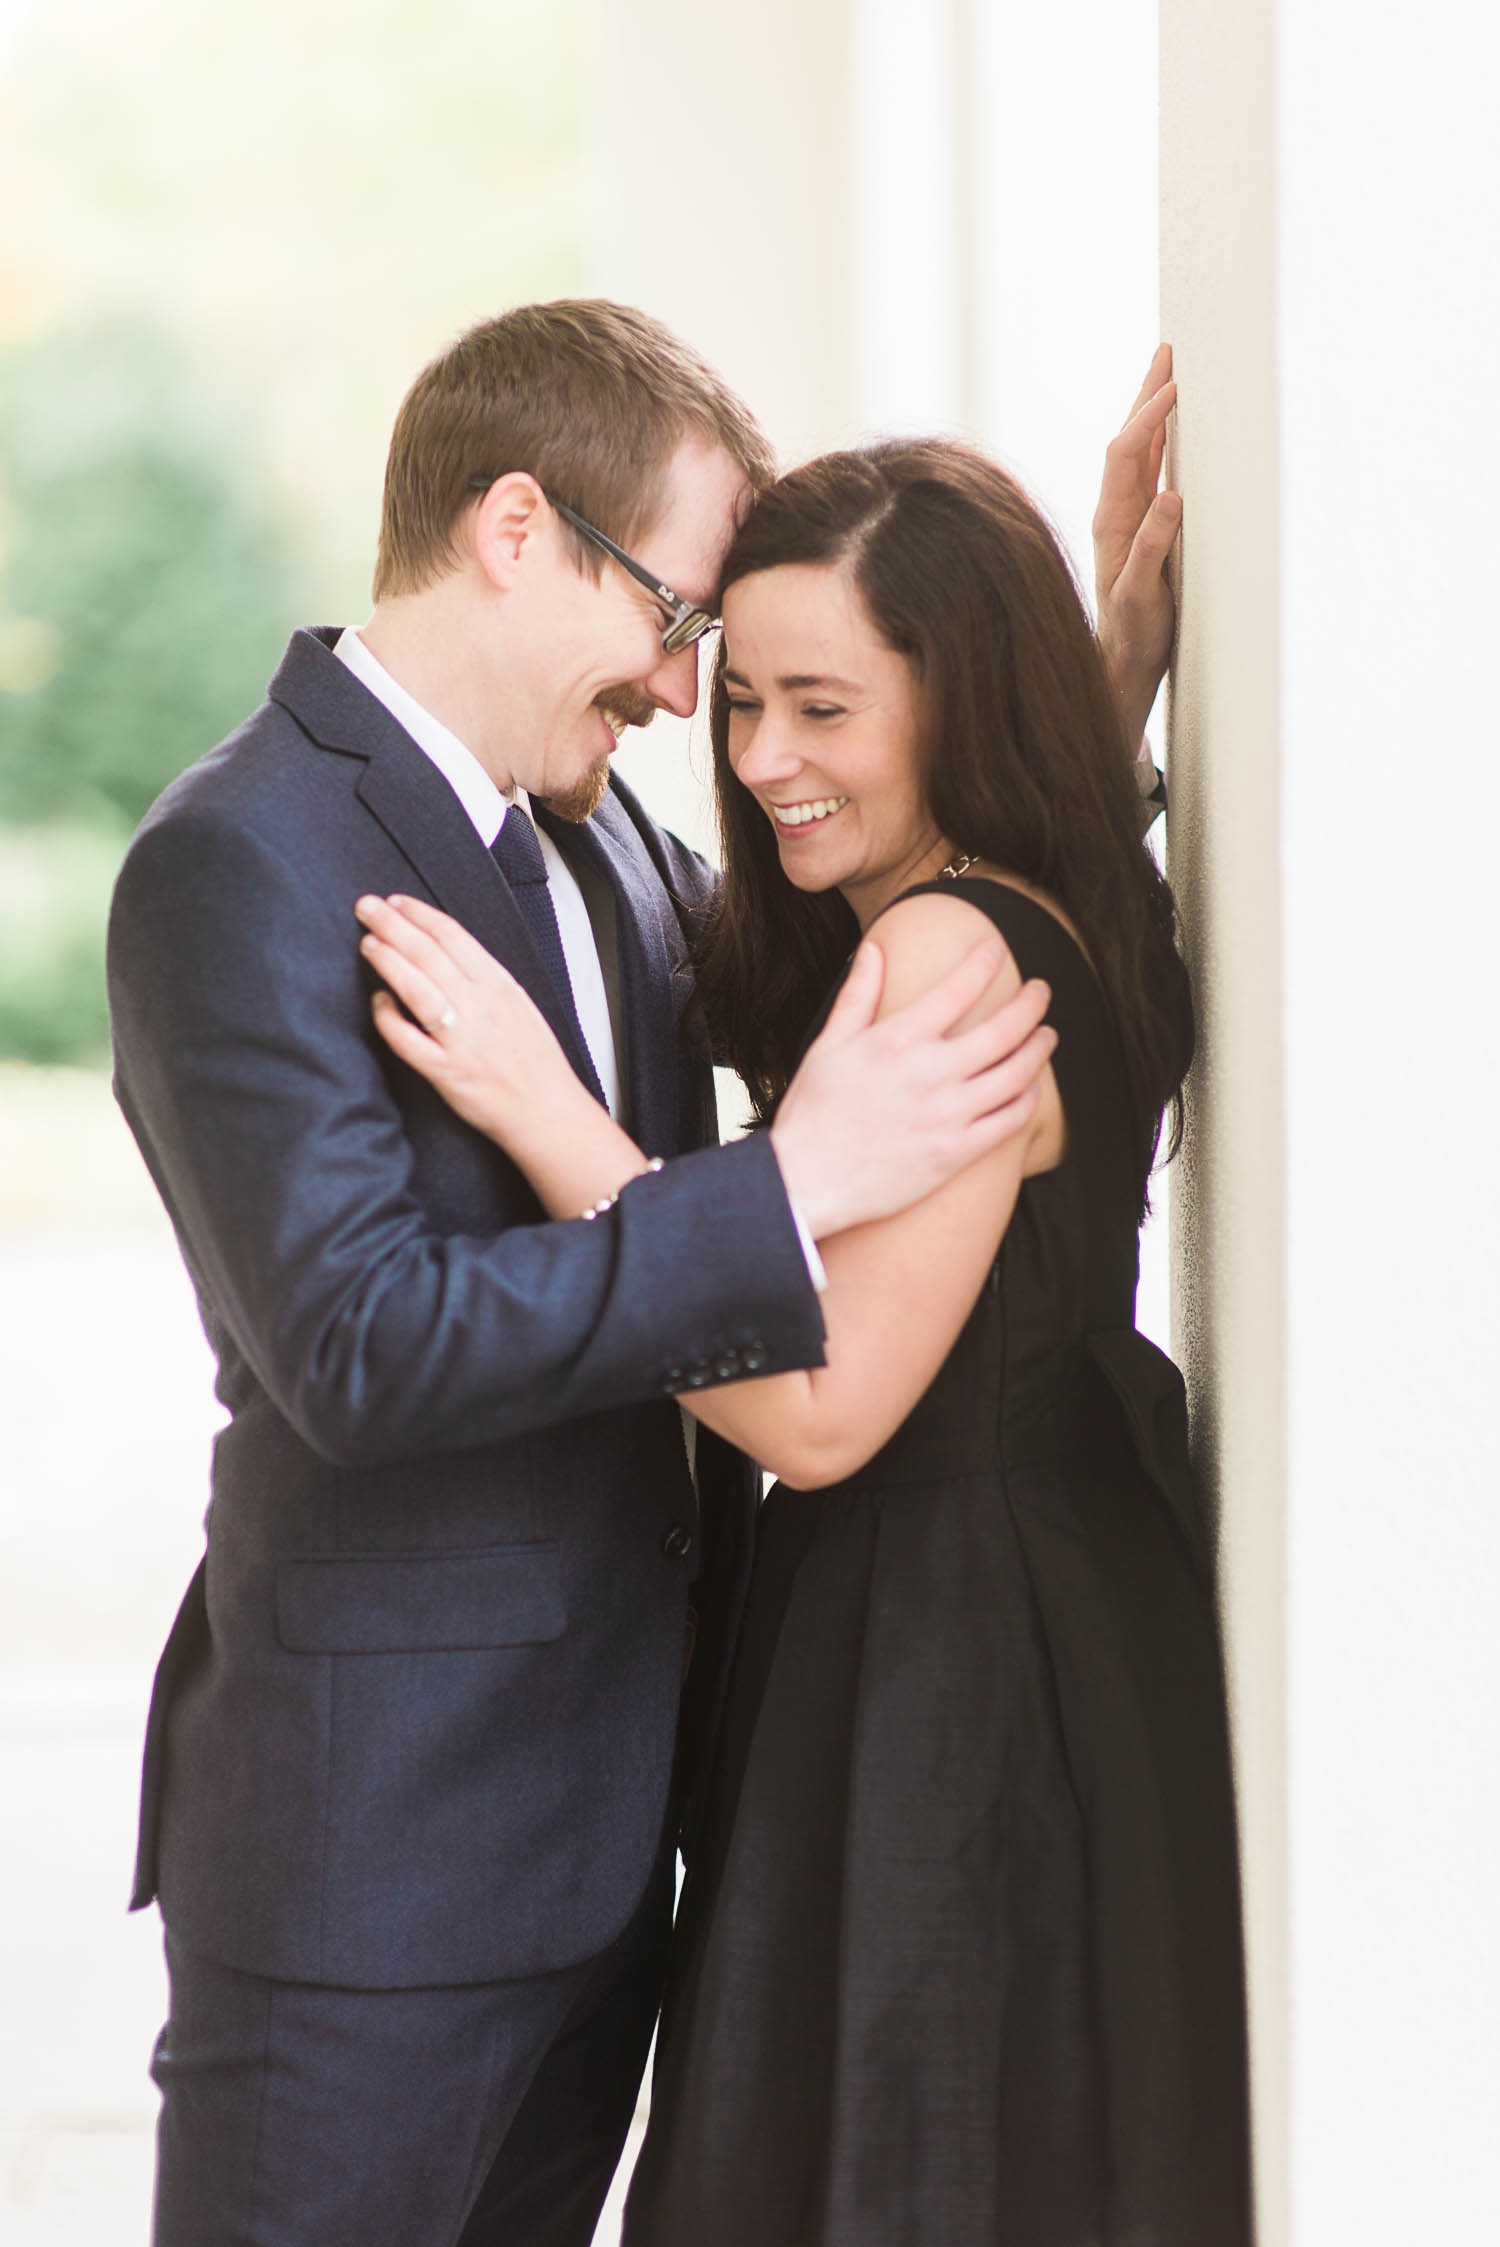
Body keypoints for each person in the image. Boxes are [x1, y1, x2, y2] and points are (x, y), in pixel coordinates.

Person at [106, 302, 1169, 2247]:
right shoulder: (240, 856)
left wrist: (1072, 692)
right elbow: (358, 1339)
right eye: (681, 623)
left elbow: (928, 929)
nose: (695, 702)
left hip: (628, 1864)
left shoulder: (611, 858)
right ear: (519, 526)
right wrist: (786, 1188)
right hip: (376, 1881)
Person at [360, 430, 1249, 2245]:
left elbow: (824, 1410)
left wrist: (554, 1121)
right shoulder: (1043, 889)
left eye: (824, 706)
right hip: (1039, 1618)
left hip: (944, 1659)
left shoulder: (946, 954)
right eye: (742, 700)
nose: (763, 760)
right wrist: (1106, 686)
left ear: (955, 699)